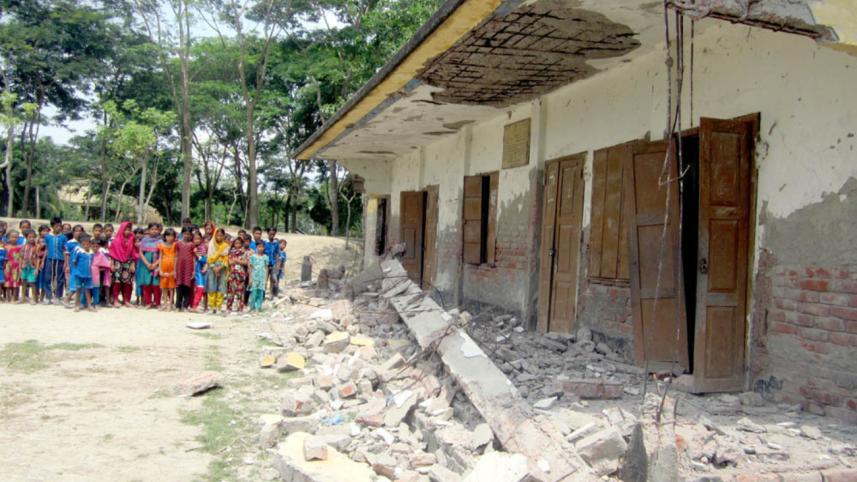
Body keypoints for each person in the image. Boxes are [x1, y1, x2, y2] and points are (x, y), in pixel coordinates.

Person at [109, 222, 136, 308]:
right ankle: (116, 299)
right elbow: (112, 253)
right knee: (117, 282)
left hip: (128, 262)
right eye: (125, 230)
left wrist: (133, 264)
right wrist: (112, 264)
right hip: (117, 262)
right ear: (121, 229)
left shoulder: (132, 239)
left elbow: (133, 253)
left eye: (129, 230)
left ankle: (127, 300)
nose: (127, 232)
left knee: (128, 282)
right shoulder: (116, 241)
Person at [43, 217, 67, 305]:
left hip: (60, 260)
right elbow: (46, 249)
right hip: (50, 259)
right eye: (56, 226)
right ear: (52, 226)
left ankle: (58, 296)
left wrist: (66, 262)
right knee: (48, 277)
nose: (59, 228)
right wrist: (42, 261)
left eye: (60, 226)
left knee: (59, 278)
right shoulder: (48, 237)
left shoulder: (63, 237)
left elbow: (65, 250)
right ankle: (48, 296)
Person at [206, 228, 229, 315]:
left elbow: (226, 258)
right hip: (212, 268)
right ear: (214, 235)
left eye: (221, 235)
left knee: (221, 287)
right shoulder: (211, 245)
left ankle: (219, 307)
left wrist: (219, 268)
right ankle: (212, 307)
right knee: (211, 287)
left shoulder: (225, 246)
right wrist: (214, 267)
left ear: (224, 236)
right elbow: (209, 258)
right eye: (217, 235)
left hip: (222, 269)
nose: (219, 237)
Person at [138, 223, 162, 309]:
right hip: (146, 265)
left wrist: (156, 264)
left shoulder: (161, 241)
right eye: (152, 229)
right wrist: (147, 263)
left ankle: (157, 303)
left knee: (156, 285)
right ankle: (148, 302)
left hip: (157, 265)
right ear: (148, 230)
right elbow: (141, 253)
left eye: (156, 229)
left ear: (159, 230)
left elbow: (163, 254)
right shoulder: (144, 240)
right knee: (146, 284)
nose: (154, 231)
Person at [70, 234, 96, 312]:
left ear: (90, 244)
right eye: (84, 244)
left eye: (88, 244)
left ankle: (89, 305)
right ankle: (77, 305)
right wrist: (77, 270)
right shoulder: (79, 251)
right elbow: (74, 262)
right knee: (78, 290)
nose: (86, 246)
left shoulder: (91, 253)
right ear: (81, 244)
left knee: (87, 290)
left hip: (88, 275)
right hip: (79, 274)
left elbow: (91, 263)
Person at [175, 227, 196, 312]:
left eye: (188, 234)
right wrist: (174, 269)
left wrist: (194, 270)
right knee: (179, 286)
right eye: (185, 234)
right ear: (182, 234)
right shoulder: (178, 244)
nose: (186, 236)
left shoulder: (192, 245)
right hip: (180, 267)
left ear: (191, 235)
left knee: (187, 287)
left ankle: (186, 305)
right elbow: (176, 256)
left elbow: (194, 258)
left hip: (188, 268)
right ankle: (178, 306)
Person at [226, 237, 249, 313]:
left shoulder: (245, 252)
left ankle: (240, 307)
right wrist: (237, 261)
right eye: (236, 243)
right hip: (232, 274)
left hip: (241, 275)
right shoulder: (231, 252)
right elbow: (229, 262)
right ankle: (229, 307)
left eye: (239, 243)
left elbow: (246, 262)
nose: (238, 245)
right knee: (231, 291)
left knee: (240, 291)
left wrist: (237, 261)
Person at [63, 225, 84, 307]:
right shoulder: (70, 243)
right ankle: (67, 299)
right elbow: (67, 255)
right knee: (74, 283)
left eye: (80, 231)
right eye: (76, 231)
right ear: (73, 232)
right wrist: (67, 265)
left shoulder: (84, 243)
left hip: (81, 267)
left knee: (81, 284)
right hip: (73, 266)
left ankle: (79, 302)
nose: (78, 233)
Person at [158, 228, 178, 311]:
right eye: (168, 236)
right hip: (164, 266)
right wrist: (160, 269)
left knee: (171, 287)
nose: (170, 238)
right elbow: (160, 257)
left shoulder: (175, 245)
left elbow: (176, 257)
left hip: (172, 267)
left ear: (174, 237)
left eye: (171, 236)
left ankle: (170, 304)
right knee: (164, 286)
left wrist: (175, 270)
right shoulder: (161, 245)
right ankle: (165, 303)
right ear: (165, 236)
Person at [19, 229, 40, 304]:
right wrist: (20, 268)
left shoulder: (36, 247)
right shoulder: (23, 247)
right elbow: (21, 257)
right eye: (29, 237)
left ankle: (34, 298)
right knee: (24, 282)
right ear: (26, 237)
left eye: (33, 237)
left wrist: (37, 269)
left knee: (32, 282)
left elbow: (37, 258)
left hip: (32, 267)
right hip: (24, 266)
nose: (31, 239)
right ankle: (23, 298)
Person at [91, 238, 112, 307]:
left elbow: (106, 264)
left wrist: (99, 269)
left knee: (101, 288)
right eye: (93, 246)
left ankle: (103, 301)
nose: (95, 248)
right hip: (90, 274)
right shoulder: (89, 254)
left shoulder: (101, 254)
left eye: (97, 246)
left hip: (101, 274)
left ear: (99, 247)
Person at [248, 242, 269, 312]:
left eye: (262, 247)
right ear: (256, 247)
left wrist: (266, 280)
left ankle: (258, 307)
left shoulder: (266, 257)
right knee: (253, 292)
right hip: (254, 277)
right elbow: (250, 268)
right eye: (259, 247)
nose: (261, 248)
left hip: (262, 277)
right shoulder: (253, 257)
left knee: (260, 292)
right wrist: (250, 278)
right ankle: (252, 307)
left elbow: (266, 268)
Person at [4, 230, 23, 302]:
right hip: (8, 266)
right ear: (8, 237)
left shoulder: (20, 247)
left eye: (16, 237)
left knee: (15, 282)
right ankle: (7, 297)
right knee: (8, 282)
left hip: (16, 267)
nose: (14, 239)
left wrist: (20, 267)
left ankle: (14, 297)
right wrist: (5, 267)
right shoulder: (6, 247)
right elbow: (5, 258)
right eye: (12, 237)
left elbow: (21, 258)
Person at [191, 231, 208, 312]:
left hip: (199, 271)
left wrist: (197, 255)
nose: (197, 240)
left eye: (198, 239)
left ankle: (195, 305)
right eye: (195, 239)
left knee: (200, 288)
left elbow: (204, 260)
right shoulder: (191, 247)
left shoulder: (202, 248)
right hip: (191, 270)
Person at [264, 228, 282, 299]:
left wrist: (277, 265)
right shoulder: (265, 242)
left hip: (273, 263)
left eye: (273, 234)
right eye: (270, 234)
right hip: (265, 263)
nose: (272, 235)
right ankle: (263, 294)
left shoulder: (276, 243)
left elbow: (277, 254)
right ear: (267, 233)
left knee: (273, 279)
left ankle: (271, 294)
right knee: (265, 279)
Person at [35, 225, 49, 303]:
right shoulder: (37, 240)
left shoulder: (48, 240)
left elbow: (47, 250)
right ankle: (36, 296)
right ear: (40, 232)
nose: (45, 233)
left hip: (45, 261)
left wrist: (43, 261)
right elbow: (36, 251)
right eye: (43, 231)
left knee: (44, 279)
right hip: (37, 260)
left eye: (47, 231)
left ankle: (42, 297)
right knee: (36, 279)